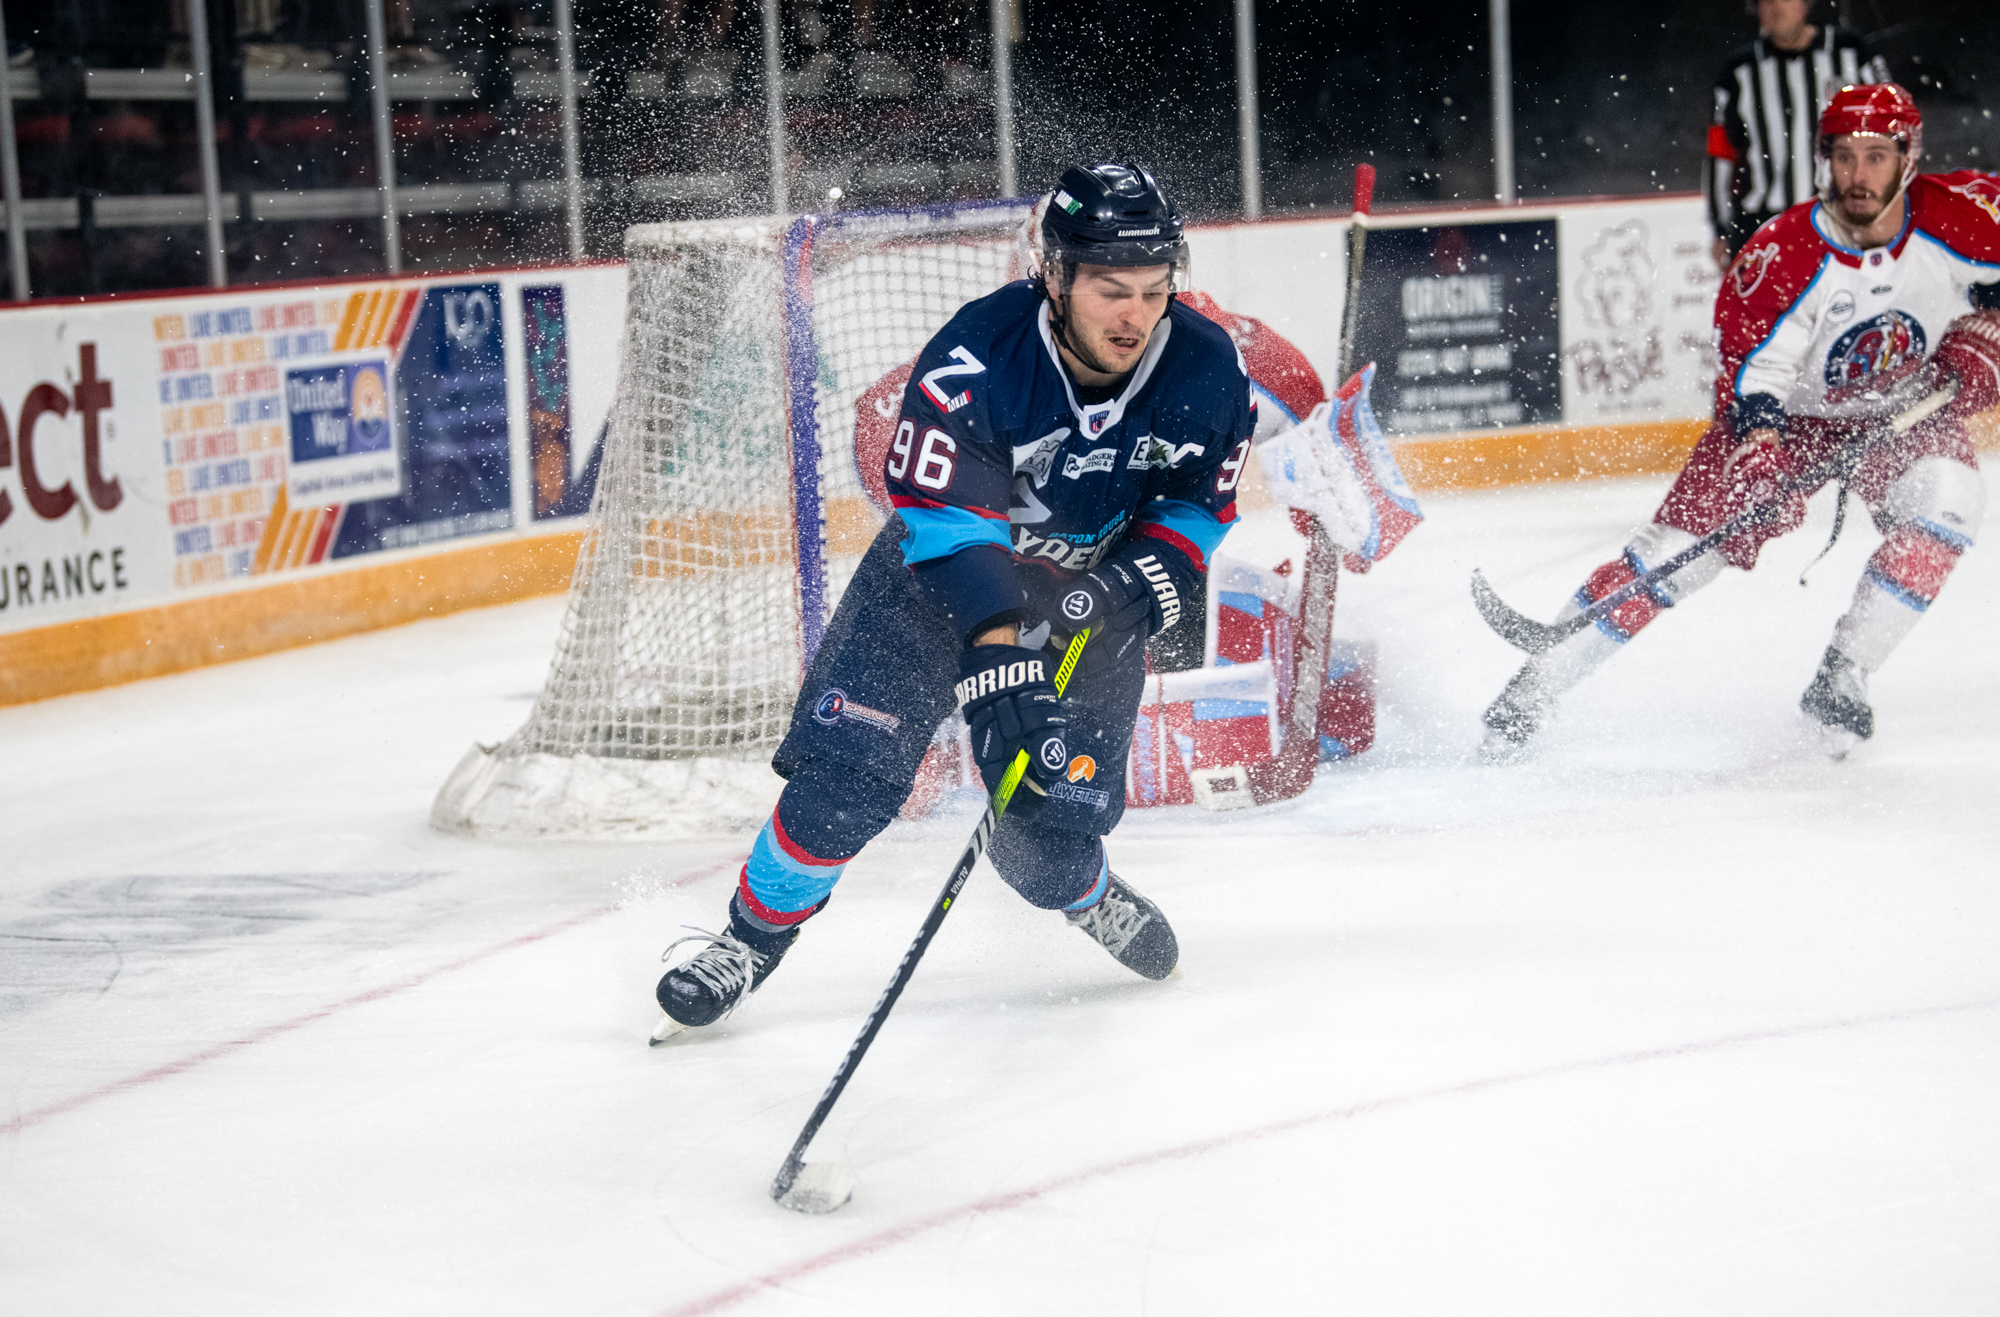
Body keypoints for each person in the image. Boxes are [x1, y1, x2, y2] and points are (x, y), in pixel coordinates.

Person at [653, 162, 1256, 1035]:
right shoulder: (978, 355)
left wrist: (1139, 582)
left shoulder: (1205, 368)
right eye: (1111, 290)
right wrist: (1001, 653)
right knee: (843, 781)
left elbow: (1202, 503)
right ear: (1054, 277)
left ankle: (1085, 893)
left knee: (1042, 840)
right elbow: (946, 523)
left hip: (1090, 607)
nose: (1135, 315)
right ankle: (746, 942)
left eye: (1155, 289)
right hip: (936, 590)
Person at [1483, 83, 2000, 761]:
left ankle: (1844, 672)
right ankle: (1534, 685)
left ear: (1910, 156)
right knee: (1674, 559)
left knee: (1950, 504)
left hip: (1904, 408)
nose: (1858, 176)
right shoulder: (1780, 256)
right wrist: (1760, 455)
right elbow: (1751, 375)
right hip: (1788, 420)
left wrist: (1984, 333)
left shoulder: (1965, 218)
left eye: (1876, 157)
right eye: (1843, 157)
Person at [1706, 0, 1890, 272]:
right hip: (1764, 226)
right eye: (1765, 1)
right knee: (1767, 314)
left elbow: (1893, 135)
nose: (1775, 7)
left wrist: (1890, 209)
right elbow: (1720, 154)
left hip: (1845, 221)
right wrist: (1721, 228)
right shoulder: (1738, 71)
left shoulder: (1853, 54)